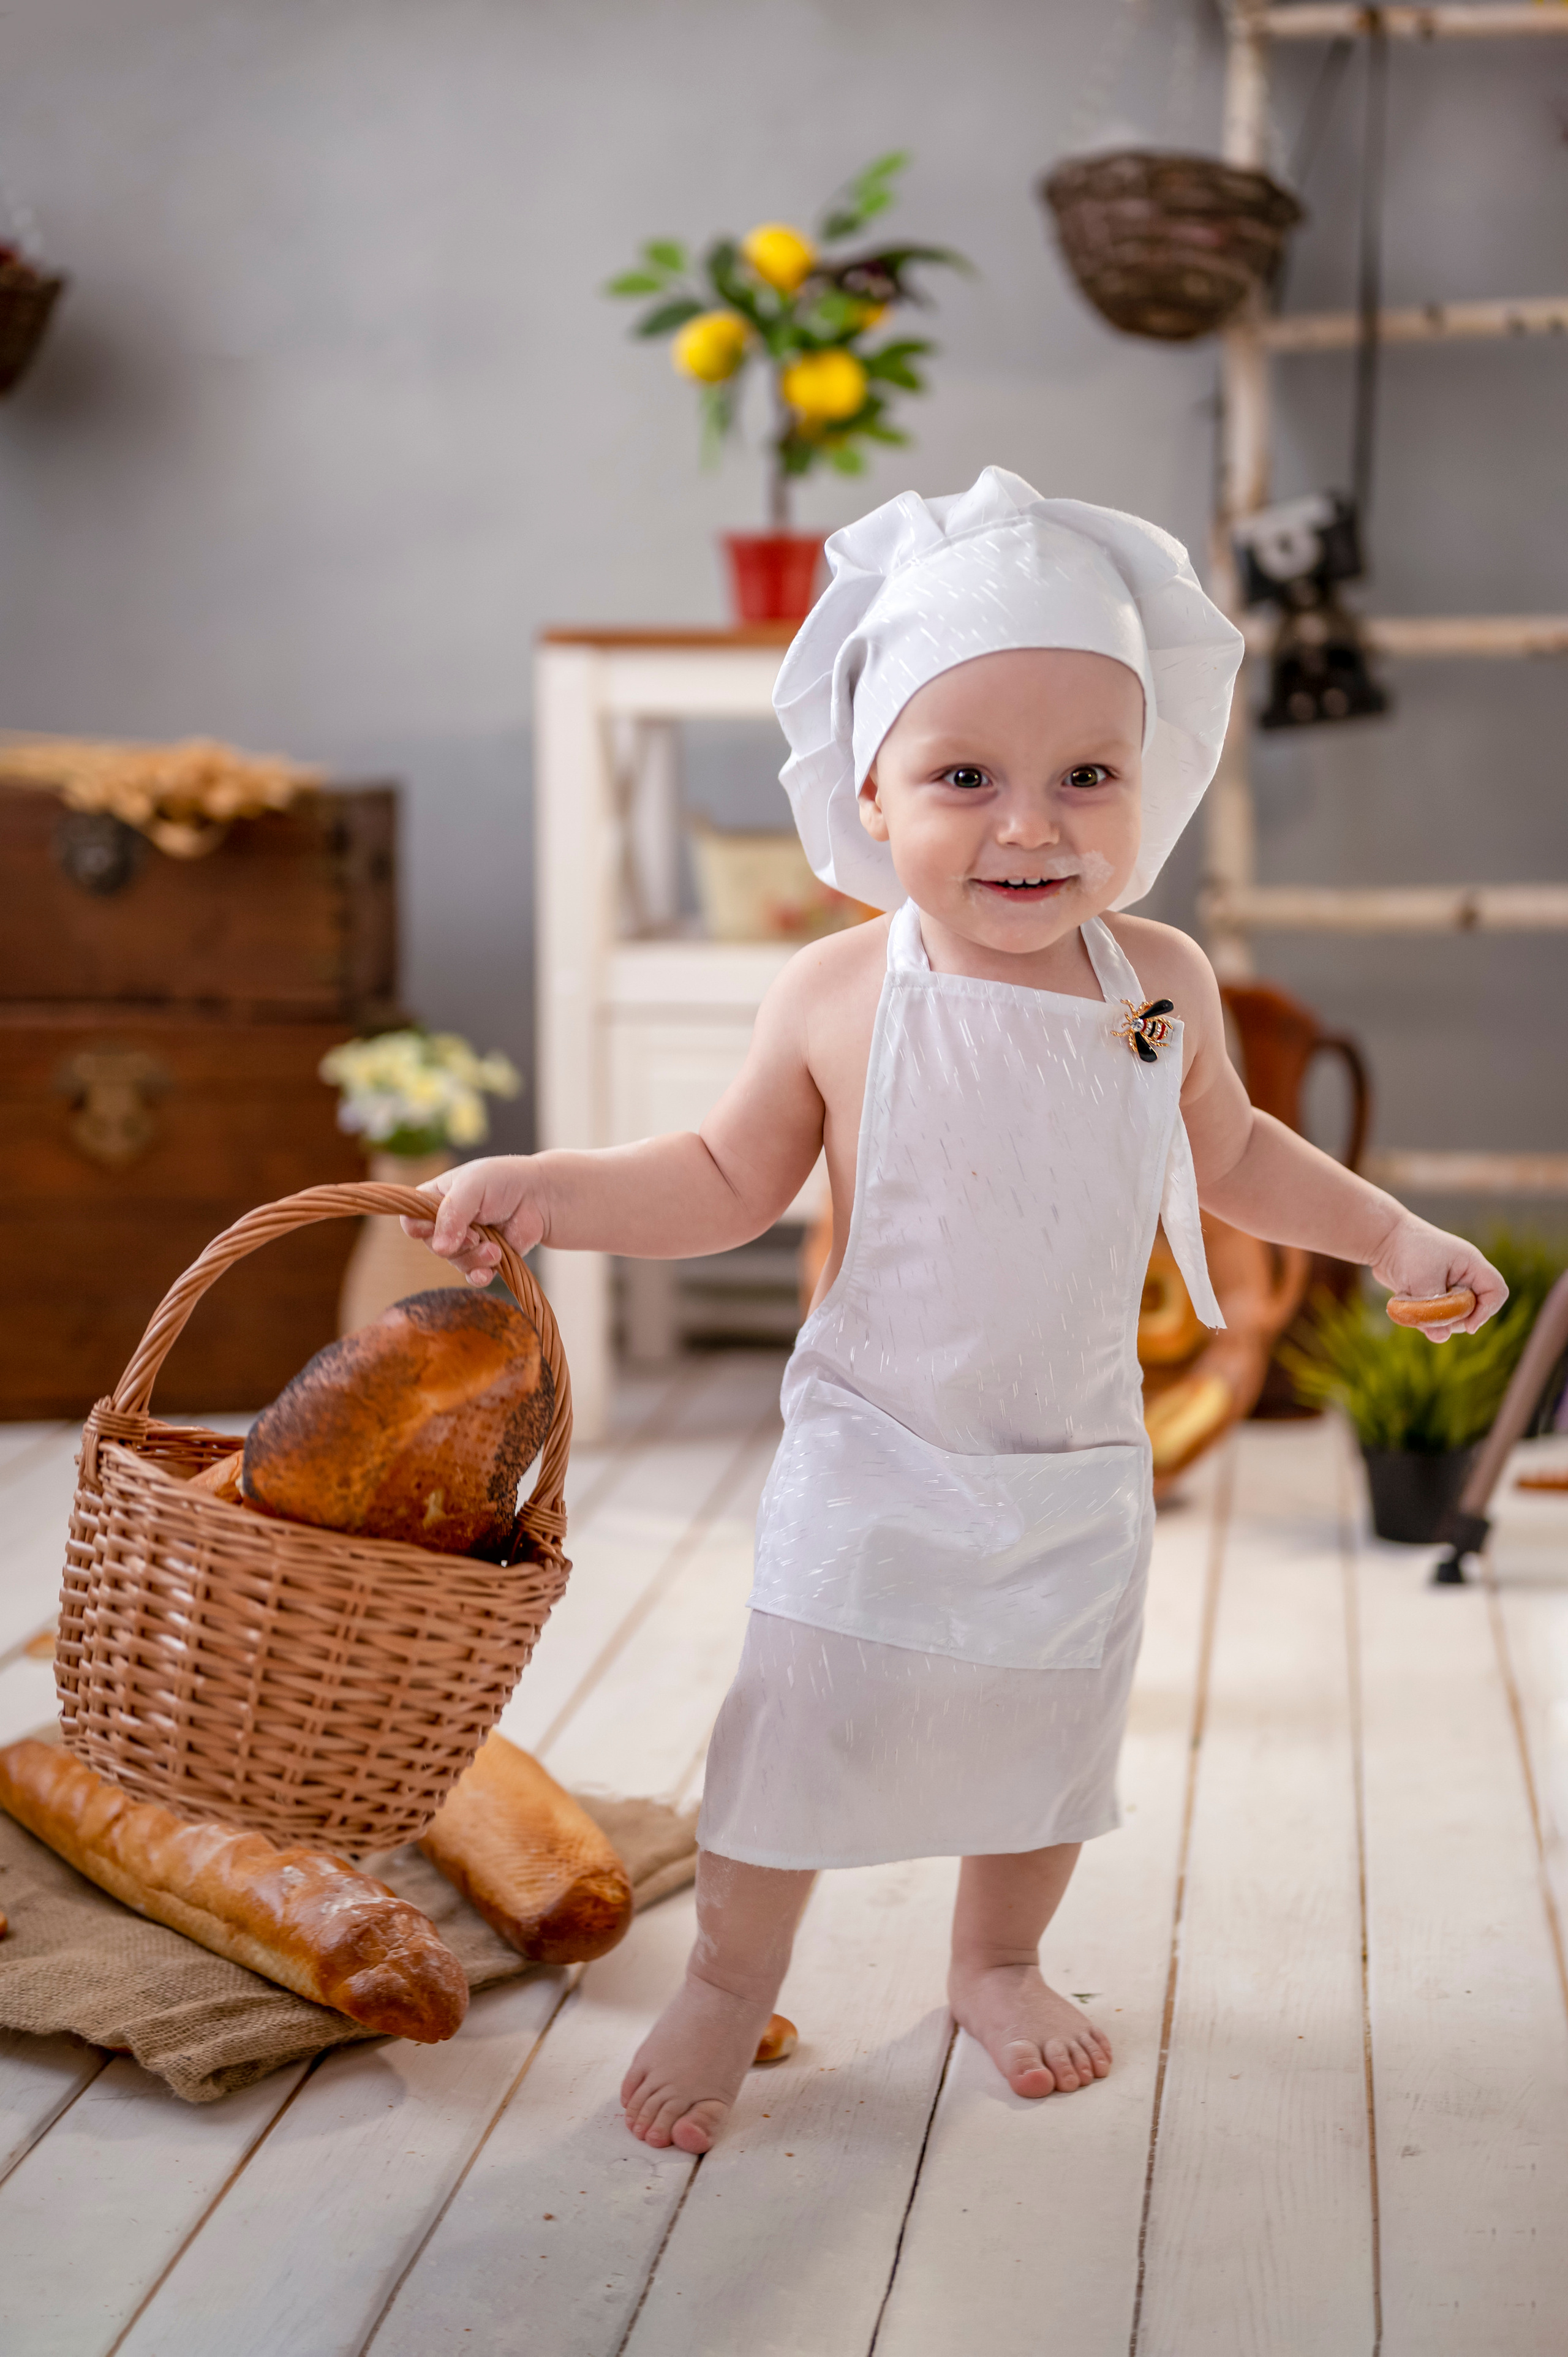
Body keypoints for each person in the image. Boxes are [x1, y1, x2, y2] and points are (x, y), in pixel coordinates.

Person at [405, 468, 1506, 2156]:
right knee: (800, 1723)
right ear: (870, 787)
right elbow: (717, 1175)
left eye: (1088, 777)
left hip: (1066, 1447)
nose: (1031, 825)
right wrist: (554, 1190)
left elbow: (1234, 1151)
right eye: (964, 777)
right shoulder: (843, 987)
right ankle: (728, 1974)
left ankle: (998, 1959)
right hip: (877, 1447)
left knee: (1047, 1729)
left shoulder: (1158, 984)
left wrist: (1389, 1233)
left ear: (1153, 782)